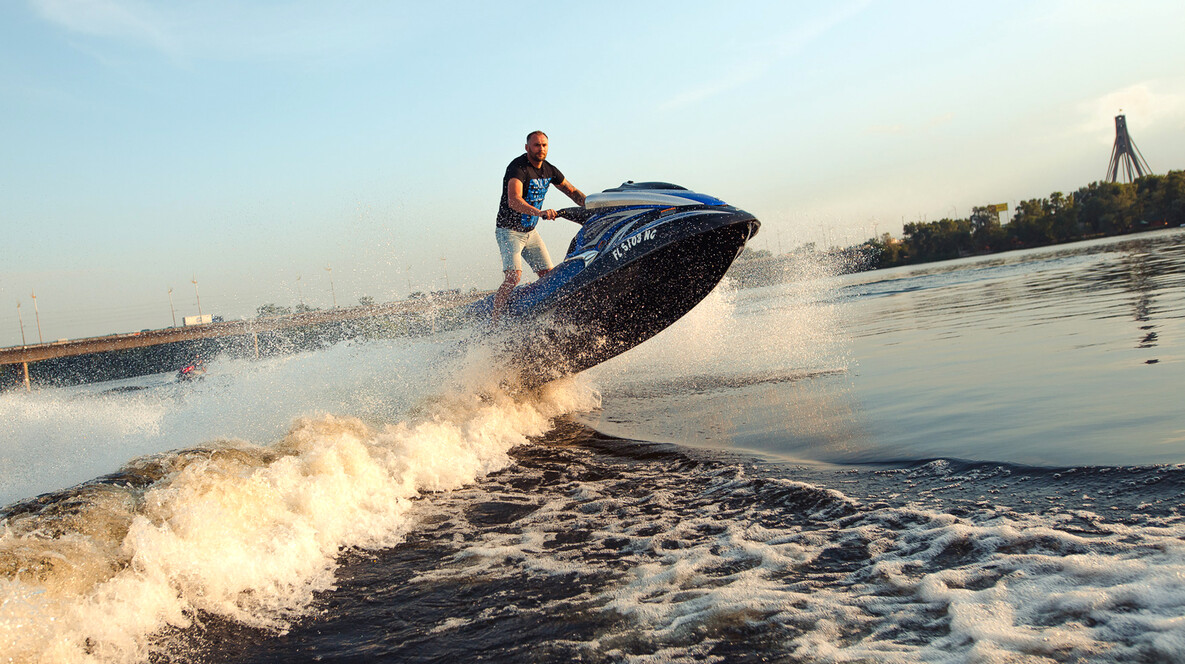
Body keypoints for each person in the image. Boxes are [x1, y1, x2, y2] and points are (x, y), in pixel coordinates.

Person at [493, 130, 585, 322]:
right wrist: (540, 213)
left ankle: (547, 316)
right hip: (509, 231)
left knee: (549, 277)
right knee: (513, 277)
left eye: (544, 145)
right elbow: (514, 200)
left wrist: (594, 205)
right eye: (536, 145)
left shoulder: (549, 170)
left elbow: (572, 191)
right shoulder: (518, 168)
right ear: (527, 148)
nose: (540, 149)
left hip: (530, 232)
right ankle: (494, 322)